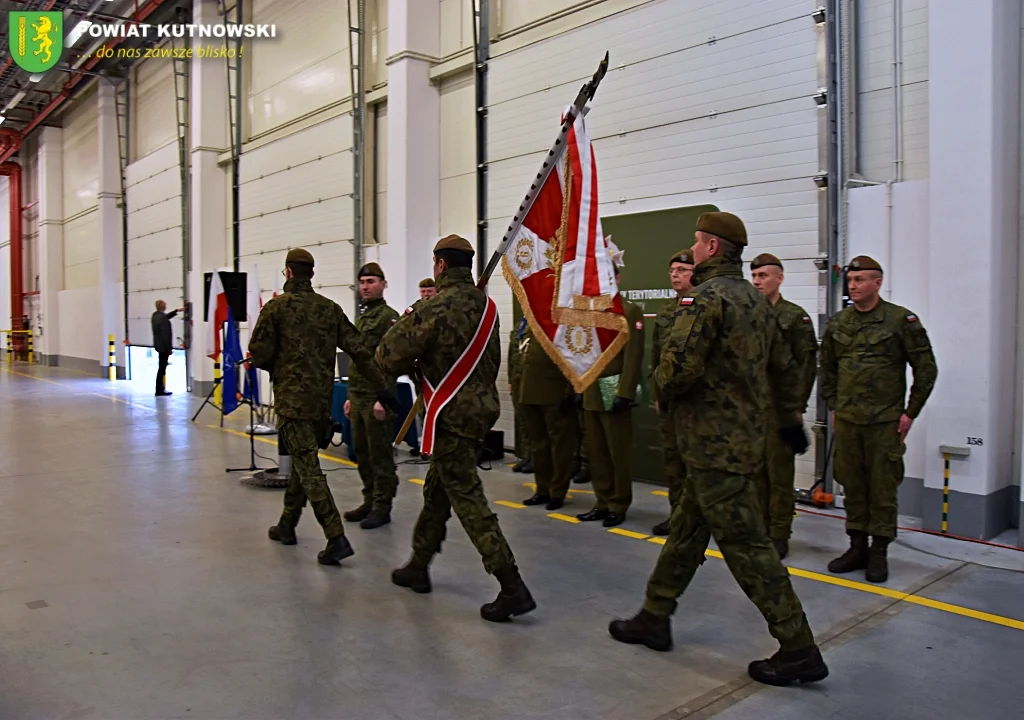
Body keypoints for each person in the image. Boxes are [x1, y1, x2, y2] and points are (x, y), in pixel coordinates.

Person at [608, 211, 829, 687]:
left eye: (696, 242)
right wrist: (789, 415)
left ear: (710, 247)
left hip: (711, 445)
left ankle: (798, 647)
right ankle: (655, 614)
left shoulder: (704, 299)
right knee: (688, 530)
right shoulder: (756, 301)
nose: (694, 248)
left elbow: (677, 368)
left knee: (748, 547)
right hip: (744, 439)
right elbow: (786, 367)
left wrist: (662, 382)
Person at [377, 234, 535, 622]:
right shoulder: (487, 307)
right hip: (480, 412)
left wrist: (416, 317)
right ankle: (419, 563)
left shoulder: (432, 308)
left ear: (441, 265)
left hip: (449, 415)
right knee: (439, 489)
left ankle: (511, 585)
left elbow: (387, 355)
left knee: (466, 496)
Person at [249, 248, 401, 566]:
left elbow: (259, 355)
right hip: (321, 404)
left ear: (288, 273)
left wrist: (283, 361)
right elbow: (359, 350)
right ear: (312, 275)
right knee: (303, 463)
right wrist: (384, 389)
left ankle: (336, 537)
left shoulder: (276, 308)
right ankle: (287, 525)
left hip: (292, 403)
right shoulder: (329, 309)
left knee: (308, 469)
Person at [820, 255, 937, 583]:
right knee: (853, 485)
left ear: (877, 283)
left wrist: (909, 413)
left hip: (885, 422)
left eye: (860, 280)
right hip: (848, 420)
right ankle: (856, 546)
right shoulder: (839, 323)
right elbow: (826, 367)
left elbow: (926, 369)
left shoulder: (901, 321)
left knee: (882, 488)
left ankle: (879, 552)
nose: (853, 286)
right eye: (850, 281)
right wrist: (833, 405)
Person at [750, 253, 819, 559]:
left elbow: (806, 366)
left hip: (780, 410)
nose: (757, 281)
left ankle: (779, 533)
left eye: (763, 275)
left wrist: (796, 407)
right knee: (756, 474)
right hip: (752, 410)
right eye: (754, 276)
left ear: (779, 278)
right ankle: (760, 528)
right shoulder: (749, 314)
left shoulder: (794, 317)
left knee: (779, 477)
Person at [575, 263, 646, 528]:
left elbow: (634, 356)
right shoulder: (590, 312)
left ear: (617, 277)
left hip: (614, 387)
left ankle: (619, 503)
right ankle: (602, 501)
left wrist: (625, 392)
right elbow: (582, 352)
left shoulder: (629, 310)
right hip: (592, 389)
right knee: (596, 452)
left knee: (618, 453)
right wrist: (578, 386)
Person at [343, 262, 401, 530]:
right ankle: (369, 500)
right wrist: (350, 396)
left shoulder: (389, 317)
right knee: (362, 453)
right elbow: (358, 359)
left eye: (371, 282)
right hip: (358, 395)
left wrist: (383, 397)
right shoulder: (363, 317)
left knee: (380, 455)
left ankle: (382, 506)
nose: (365, 287)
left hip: (377, 397)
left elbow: (391, 359)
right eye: (363, 282)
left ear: (383, 284)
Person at [649, 249, 695, 536]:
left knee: (697, 464)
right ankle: (678, 517)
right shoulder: (667, 312)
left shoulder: (705, 306)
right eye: (672, 270)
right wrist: (658, 392)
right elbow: (656, 356)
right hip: (670, 401)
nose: (675, 275)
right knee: (674, 462)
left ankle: (700, 520)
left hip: (698, 403)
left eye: (682, 270)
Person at [519, 321, 578, 510]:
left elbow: (573, 359)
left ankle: (558, 492)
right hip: (530, 391)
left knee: (560, 446)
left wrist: (570, 390)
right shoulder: (530, 324)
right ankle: (542, 489)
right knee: (538, 446)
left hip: (555, 392)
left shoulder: (564, 324)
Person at [507, 318, 533, 473]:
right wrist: (510, 378)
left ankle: (535, 458)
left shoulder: (539, 322)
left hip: (531, 380)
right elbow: (512, 354)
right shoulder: (520, 325)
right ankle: (527, 456)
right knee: (522, 420)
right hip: (517, 380)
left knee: (532, 421)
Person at [151, 300, 183, 397]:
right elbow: (166, 335)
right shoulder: (162, 318)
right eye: (165, 305)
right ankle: (159, 389)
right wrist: (169, 348)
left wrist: (176, 311)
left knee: (161, 367)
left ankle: (160, 388)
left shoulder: (155, 316)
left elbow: (165, 317)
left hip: (159, 345)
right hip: (164, 347)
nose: (166, 306)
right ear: (162, 307)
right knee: (162, 368)